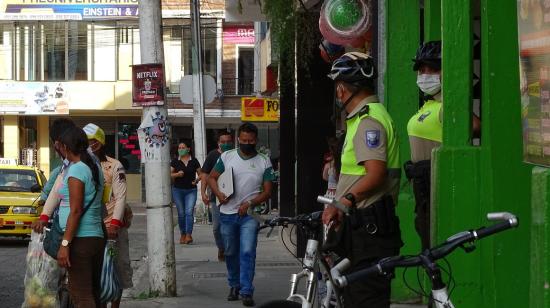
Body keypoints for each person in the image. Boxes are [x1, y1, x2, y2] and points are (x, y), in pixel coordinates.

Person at [322, 52, 403, 307]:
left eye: (337, 87)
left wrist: (342, 201)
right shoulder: (363, 119)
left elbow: (376, 174)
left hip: (370, 229)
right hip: (362, 228)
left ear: (342, 89)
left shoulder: (369, 121)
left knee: (365, 299)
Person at [207, 123, 275, 307]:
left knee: (247, 252)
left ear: (256, 140)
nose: (247, 143)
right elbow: (212, 177)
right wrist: (218, 194)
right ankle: (234, 285)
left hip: (250, 215)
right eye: (243, 140)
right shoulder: (227, 156)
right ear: (238, 139)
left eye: (250, 141)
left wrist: (250, 203)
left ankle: (246, 290)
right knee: (230, 251)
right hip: (227, 213)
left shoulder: (264, 160)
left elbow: (268, 191)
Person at [84, 123, 133, 308]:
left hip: (112, 227)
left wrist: (114, 224)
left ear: (101, 141)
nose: (91, 144)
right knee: (96, 271)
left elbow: (121, 197)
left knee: (116, 268)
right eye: (87, 141)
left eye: (94, 141)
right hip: (90, 226)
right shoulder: (80, 165)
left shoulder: (114, 165)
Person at [55, 126, 105, 307]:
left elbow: (76, 210)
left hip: (80, 239)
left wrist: (65, 244)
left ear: (66, 147)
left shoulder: (77, 170)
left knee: (81, 296)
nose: (59, 149)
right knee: (92, 293)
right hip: (95, 236)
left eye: (60, 146)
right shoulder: (94, 168)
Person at [405, 41, 443, 252]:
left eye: (434, 69)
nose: (426, 75)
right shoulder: (429, 104)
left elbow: (475, 126)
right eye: (421, 70)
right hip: (422, 187)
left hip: (437, 186)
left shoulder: (446, 105)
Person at [200, 130, 234, 261]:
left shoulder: (236, 155)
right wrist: (203, 193)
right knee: (217, 228)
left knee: (230, 227)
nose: (226, 144)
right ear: (219, 143)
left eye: (228, 142)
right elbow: (204, 175)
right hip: (215, 197)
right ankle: (221, 247)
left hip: (232, 197)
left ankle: (230, 251)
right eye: (223, 142)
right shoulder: (213, 155)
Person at [170, 141, 201, 244]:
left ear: (188, 149)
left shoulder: (194, 161)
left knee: (189, 212)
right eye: (179, 148)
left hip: (191, 190)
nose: (181, 149)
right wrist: (177, 175)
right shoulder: (175, 161)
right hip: (177, 190)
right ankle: (182, 234)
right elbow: (168, 174)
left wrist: (196, 180)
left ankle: (188, 234)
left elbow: (201, 174)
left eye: (183, 147)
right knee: (181, 213)